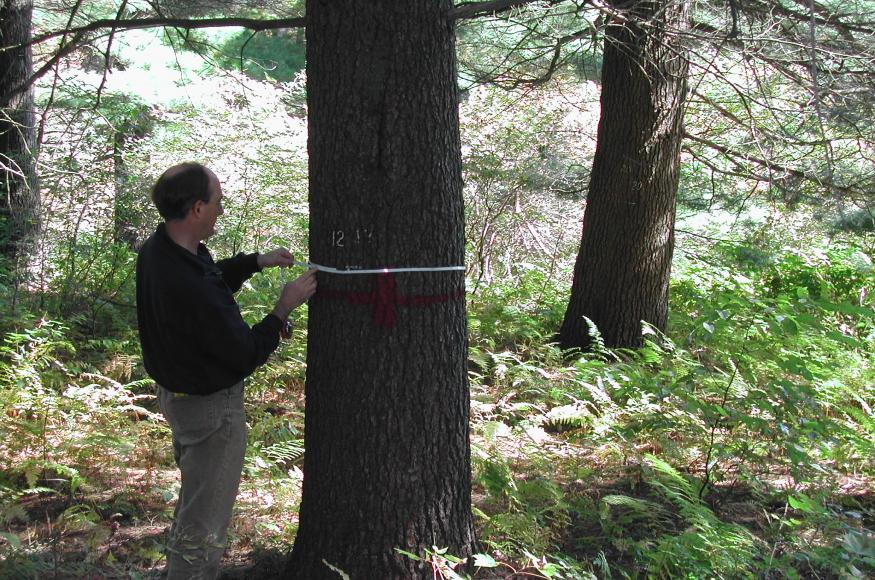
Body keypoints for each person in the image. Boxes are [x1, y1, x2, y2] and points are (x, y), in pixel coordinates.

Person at [135, 162, 316, 579]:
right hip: (211, 413)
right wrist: (283, 309)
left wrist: (256, 261)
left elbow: (210, 281)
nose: (222, 210)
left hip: (181, 400)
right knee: (205, 525)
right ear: (197, 207)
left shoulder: (163, 249)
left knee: (194, 506)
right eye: (217, 202)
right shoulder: (187, 279)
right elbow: (243, 353)